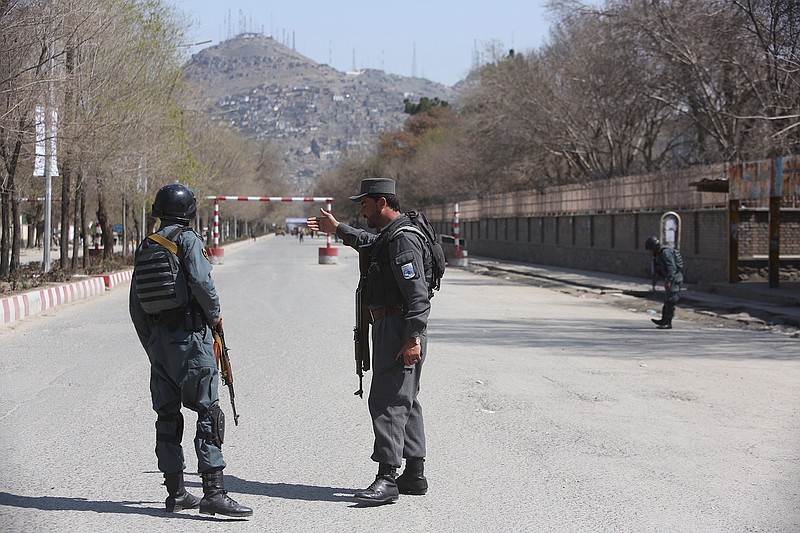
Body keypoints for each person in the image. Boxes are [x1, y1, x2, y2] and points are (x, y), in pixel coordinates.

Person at [129, 183, 253, 517]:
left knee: (167, 416)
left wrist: (153, 345)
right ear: (187, 212)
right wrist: (214, 316)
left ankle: (177, 493)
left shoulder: (146, 246)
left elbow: (136, 307)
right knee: (207, 412)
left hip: (159, 343)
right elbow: (201, 282)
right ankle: (214, 493)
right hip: (191, 339)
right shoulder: (187, 240)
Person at [307, 177, 432, 505]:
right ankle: (414, 473)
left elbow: (418, 294)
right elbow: (368, 242)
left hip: (399, 326)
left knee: (387, 401)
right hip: (393, 324)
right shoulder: (391, 236)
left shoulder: (403, 240)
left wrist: (413, 336)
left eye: (364, 203)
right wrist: (337, 229)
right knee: (406, 398)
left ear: (382, 202)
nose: (361, 210)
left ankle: (387, 477)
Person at [645, 235, 683, 329]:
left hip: (674, 278)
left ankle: (668, 322)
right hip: (669, 278)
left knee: (671, 301)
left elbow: (671, 268)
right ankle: (664, 320)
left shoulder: (665, 252)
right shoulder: (659, 254)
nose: (650, 252)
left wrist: (669, 281)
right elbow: (659, 267)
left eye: (651, 250)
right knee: (667, 300)